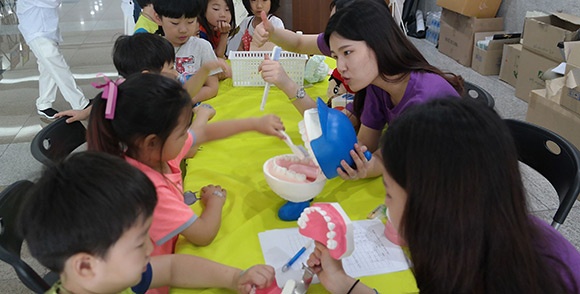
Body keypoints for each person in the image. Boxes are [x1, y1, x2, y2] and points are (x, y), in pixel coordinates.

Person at [307, 98, 580, 294]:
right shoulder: (482, 232)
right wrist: (344, 283)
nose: (385, 206)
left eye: (389, 194)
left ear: (430, 203)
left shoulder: (509, 276)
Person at [260, 0, 463, 182]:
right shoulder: (377, 85)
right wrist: (363, 167)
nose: (340, 67)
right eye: (336, 56)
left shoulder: (425, 100)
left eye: (347, 53)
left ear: (378, 42)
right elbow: (370, 151)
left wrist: (288, 85)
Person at [19, 152, 275, 294]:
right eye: (140, 243)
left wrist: (234, 278)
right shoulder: (111, 272)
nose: (152, 249)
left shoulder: (108, 274)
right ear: (85, 266)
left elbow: (172, 268)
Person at [56, 33, 229, 123]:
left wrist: (206, 68)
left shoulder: (130, 85)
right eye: (170, 68)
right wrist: (200, 117)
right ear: (147, 76)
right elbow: (184, 147)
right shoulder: (147, 106)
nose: (176, 73)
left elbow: (185, 93)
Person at [16, 0, 90, 119]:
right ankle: (80, 103)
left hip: (46, 31)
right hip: (36, 32)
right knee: (59, 67)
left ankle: (43, 103)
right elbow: (52, 2)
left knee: (47, 68)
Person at [153, 0, 223, 104]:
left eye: (190, 22)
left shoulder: (202, 47)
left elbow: (212, 87)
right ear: (158, 18)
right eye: (175, 23)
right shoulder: (152, 48)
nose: (183, 30)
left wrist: (184, 102)